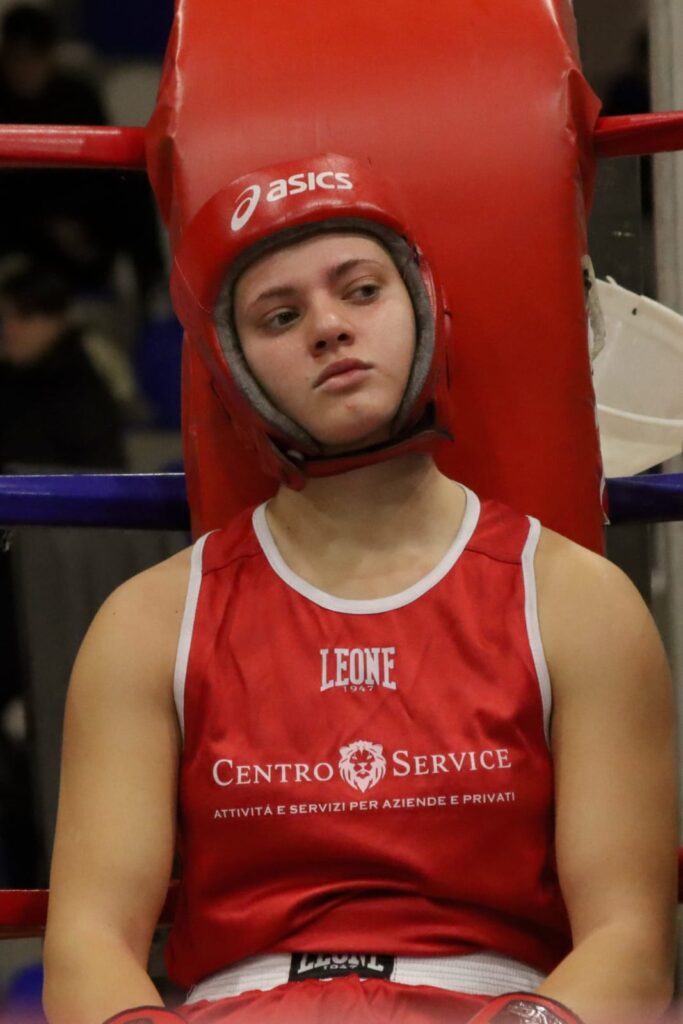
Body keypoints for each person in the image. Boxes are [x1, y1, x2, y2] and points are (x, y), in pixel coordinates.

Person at [42, 155, 677, 1024]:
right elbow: (87, 945)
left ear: (421, 306)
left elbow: (631, 943)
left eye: (361, 291)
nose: (329, 328)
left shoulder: (575, 602)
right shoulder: (151, 623)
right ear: (233, 365)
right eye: (280, 315)